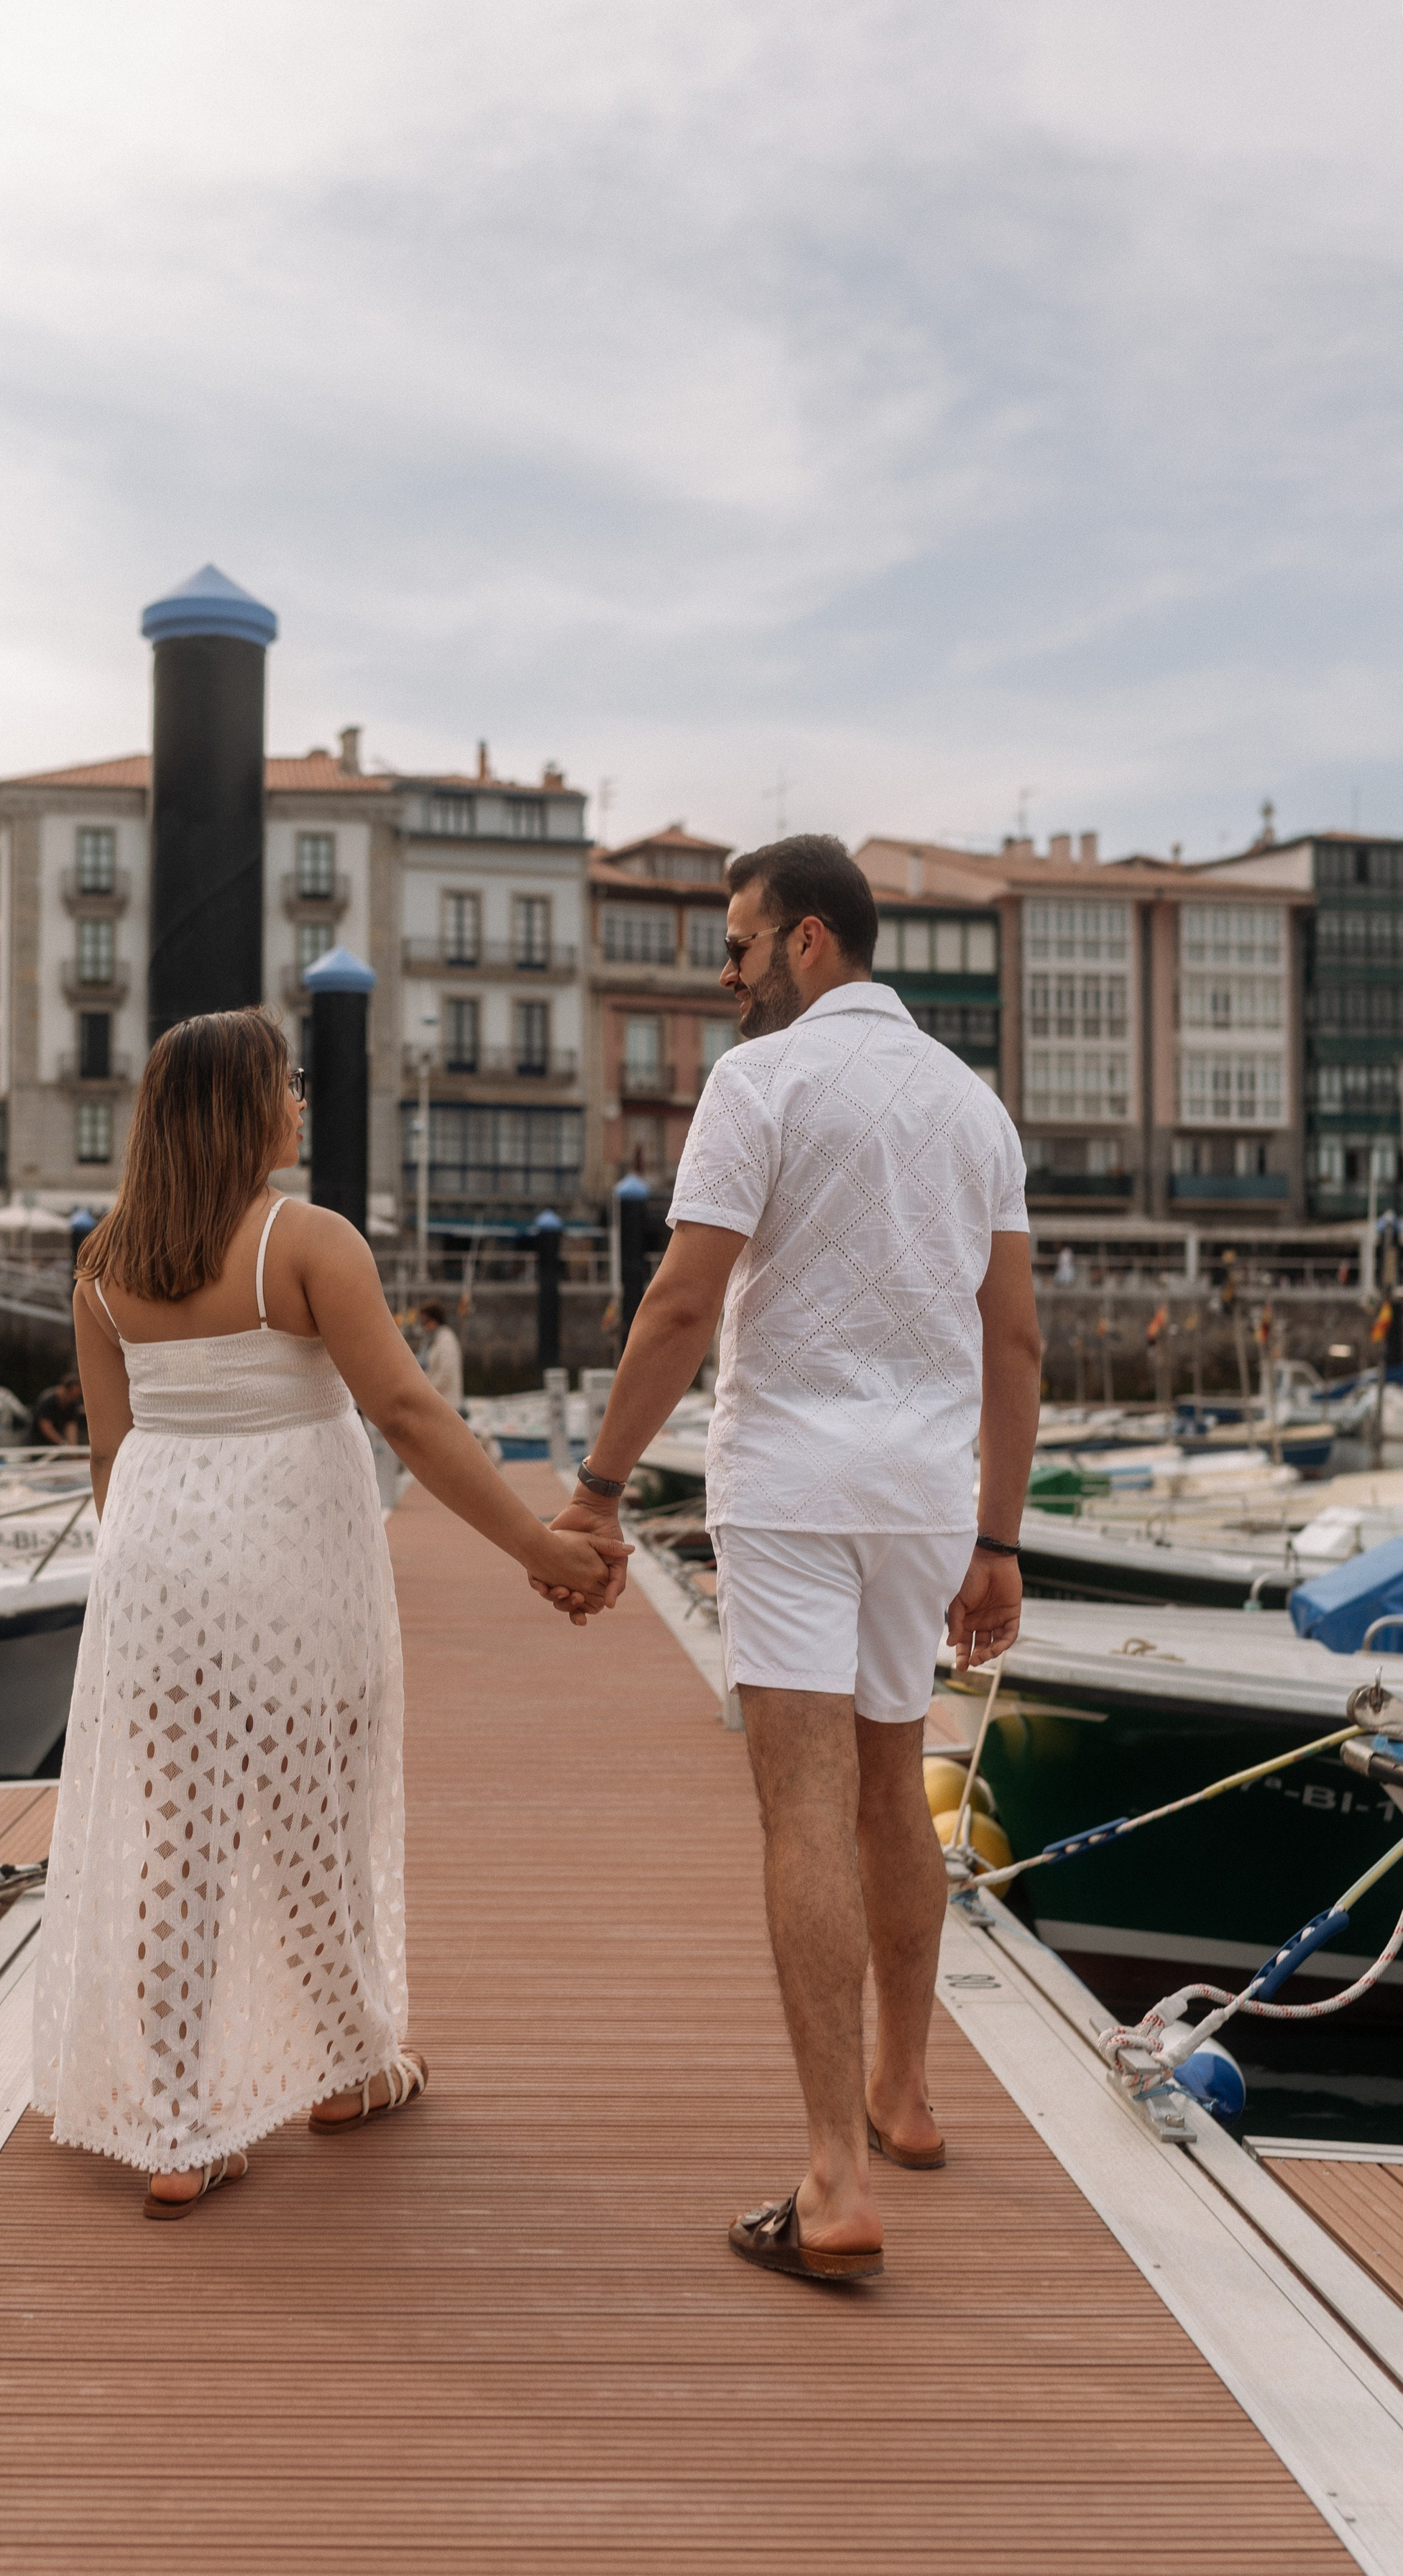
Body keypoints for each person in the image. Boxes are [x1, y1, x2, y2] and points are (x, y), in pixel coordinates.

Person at [543, 834, 1040, 2284]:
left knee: (803, 1806)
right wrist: (994, 1536)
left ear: (809, 941)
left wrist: (595, 1487)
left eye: (738, 940)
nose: (723, 967)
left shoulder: (758, 1084)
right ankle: (904, 2093)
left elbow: (683, 1302)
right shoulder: (971, 1107)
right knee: (895, 1782)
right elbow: (1013, 1340)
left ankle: (830, 2177)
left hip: (792, 1486)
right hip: (921, 1496)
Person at [32, 1008, 625, 2220]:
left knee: (184, 1840)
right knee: (317, 1814)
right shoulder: (305, 1241)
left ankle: (184, 2129)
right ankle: (351, 2066)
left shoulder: (102, 1260)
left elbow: (111, 1453)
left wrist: (159, 1571)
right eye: (286, 1084)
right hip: (291, 1568)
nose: (301, 1100)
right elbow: (407, 1413)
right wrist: (539, 1546)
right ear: (243, 1107)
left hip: (159, 1567)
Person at [417, 1300, 464, 1410]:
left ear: (435, 1320)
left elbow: (446, 1373)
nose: (424, 1326)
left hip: (448, 1405)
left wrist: (425, 1392)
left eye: (426, 1322)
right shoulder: (432, 1339)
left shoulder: (446, 1339)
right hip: (437, 1402)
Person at [31, 1373, 86, 1448]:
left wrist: (72, 1448)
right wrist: (62, 1443)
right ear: (64, 1389)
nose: (74, 1397)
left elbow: (71, 1426)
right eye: (72, 1394)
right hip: (39, 1442)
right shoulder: (48, 1400)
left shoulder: (73, 1403)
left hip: (58, 1444)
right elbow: (45, 1426)